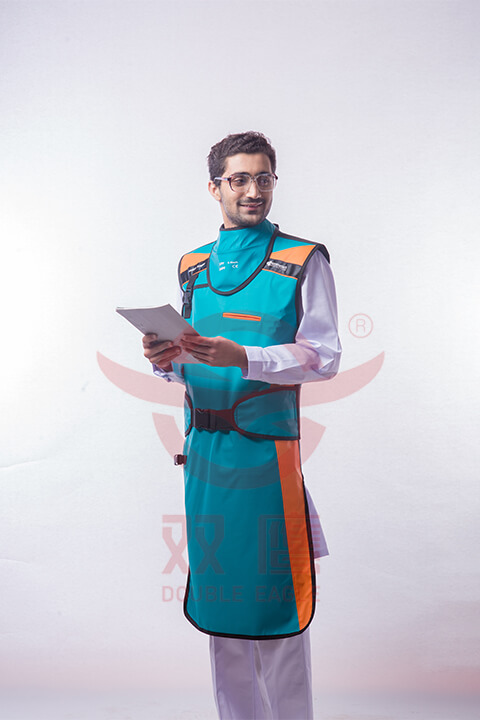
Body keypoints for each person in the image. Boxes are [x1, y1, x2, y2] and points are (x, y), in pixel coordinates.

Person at [143, 132, 341, 720]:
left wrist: (247, 358)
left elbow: (324, 357)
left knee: (275, 609)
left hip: (267, 461)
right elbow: (187, 364)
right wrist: (164, 360)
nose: (253, 190)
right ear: (215, 187)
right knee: (224, 612)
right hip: (205, 460)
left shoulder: (304, 260)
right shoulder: (193, 267)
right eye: (239, 179)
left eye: (263, 178)